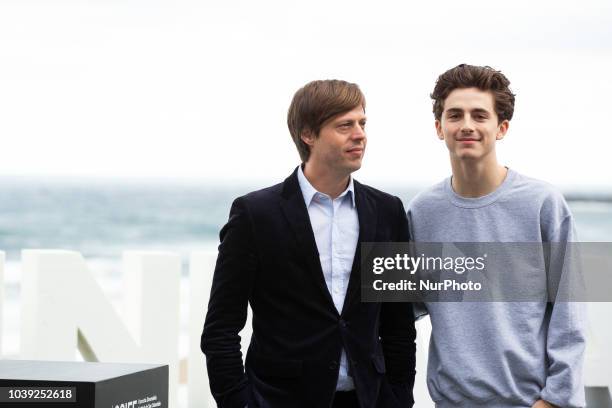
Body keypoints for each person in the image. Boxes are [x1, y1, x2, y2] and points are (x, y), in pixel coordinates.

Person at [201, 80, 416, 408]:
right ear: (308, 134)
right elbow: (221, 329)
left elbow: (398, 325)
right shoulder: (255, 214)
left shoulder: (387, 211)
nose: (359, 134)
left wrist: (399, 399)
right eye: (345, 125)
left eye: (362, 123)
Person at [407, 64, 586, 408]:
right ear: (439, 127)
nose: (467, 126)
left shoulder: (542, 205)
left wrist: (554, 401)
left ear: (501, 127)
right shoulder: (422, 212)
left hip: (532, 403)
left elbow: (570, 314)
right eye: (455, 115)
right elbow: (399, 312)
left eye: (480, 115)